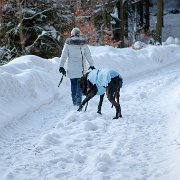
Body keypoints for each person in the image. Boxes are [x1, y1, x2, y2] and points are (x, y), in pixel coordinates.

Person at [59, 27, 95, 106]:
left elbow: (63, 55)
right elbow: (88, 55)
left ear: (71, 34)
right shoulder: (84, 43)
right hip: (81, 69)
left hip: (71, 68)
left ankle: (74, 101)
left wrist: (61, 66)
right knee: (80, 84)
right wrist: (91, 64)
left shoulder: (68, 43)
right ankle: (78, 100)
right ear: (79, 34)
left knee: (73, 84)